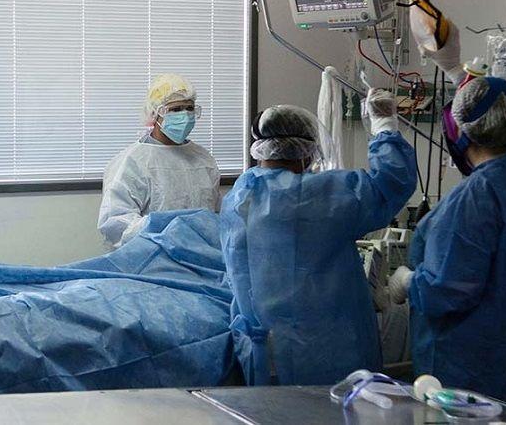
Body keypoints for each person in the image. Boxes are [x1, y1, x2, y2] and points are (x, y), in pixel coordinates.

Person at [220, 90, 416, 385]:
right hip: (327, 350)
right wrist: (384, 125)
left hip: (264, 349)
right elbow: (393, 182)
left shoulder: (239, 196)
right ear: (307, 151)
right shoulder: (324, 195)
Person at [389, 76, 506, 409]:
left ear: (463, 132)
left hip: (471, 369)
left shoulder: (476, 196)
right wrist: (458, 74)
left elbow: (446, 290)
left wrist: (406, 281)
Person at [98, 74, 220, 247]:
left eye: (190, 108)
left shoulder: (203, 159)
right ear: (155, 114)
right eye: (176, 109)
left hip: (202, 253)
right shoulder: (132, 162)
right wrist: (164, 232)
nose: (185, 115)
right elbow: (116, 222)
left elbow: (214, 213)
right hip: (149, 255)